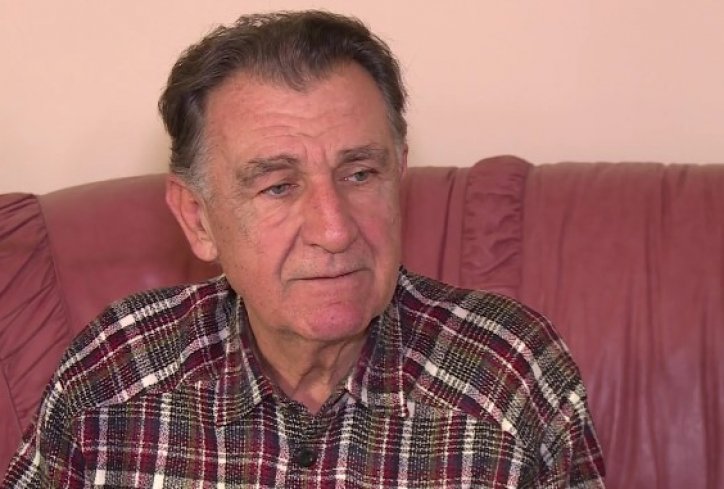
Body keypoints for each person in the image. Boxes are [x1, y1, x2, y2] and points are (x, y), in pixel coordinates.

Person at [2, 10, 605, 488]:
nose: (335, 230)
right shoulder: (113, 379)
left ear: (398, 177)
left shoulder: (510, 379)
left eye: (360, 174)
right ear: (198, 218)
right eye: (279, 186)